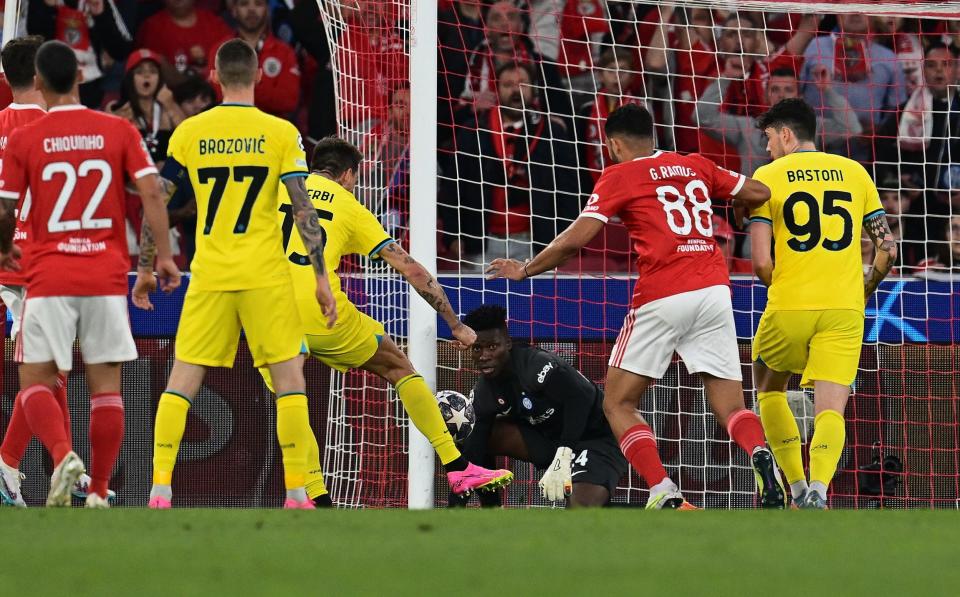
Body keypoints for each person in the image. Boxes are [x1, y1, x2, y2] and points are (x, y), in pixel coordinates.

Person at [488, 104, 783, 510]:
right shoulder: (693, 164)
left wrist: (526, 268)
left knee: (617, 402)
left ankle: (662, 489)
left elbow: (578, 239)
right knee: (732, 406)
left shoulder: (620, 175)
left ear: (613, 144)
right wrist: (736, 207)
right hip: (715, 289)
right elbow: (760, 192)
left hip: (663, 292)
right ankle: (760, 455)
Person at [242, 138, 512, 506]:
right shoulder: (349, 207)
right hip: (321, 312)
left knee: (291, 399)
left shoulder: (276, 189)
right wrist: (454, 323)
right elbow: (411, 269)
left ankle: (316, 498)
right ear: (348, 173)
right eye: (356, 177)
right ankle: (457, 465)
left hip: (262, 310)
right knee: (397, 365)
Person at [133, 39, 338, 510]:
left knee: (182, 378)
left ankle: (160, 489)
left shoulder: (191, 131)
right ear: (258, 77)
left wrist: (148, 265)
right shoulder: (281, 132)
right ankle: (294, 493)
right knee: (290, 381)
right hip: (266, 273)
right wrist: (321, 277)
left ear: (214, 76)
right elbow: (304, 210)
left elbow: (158, 198)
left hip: (210, 273)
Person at [0, 40, 180, 508]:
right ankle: (90, 487)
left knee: (38, 377)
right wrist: (160, 257)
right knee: (103, 387)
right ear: (80, 77)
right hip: (101, 272)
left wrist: (4, 250)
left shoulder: (20, 136)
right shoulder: (113, 129)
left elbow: (6, 206)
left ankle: (54, 462)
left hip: (38, 270)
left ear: (37, 80)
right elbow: (154, 192)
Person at [749, 98, 897, 509]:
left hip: (789, 304)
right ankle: (819, 489)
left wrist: (783, 288)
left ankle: (794, 486)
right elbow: (888, 246)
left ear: (786, 134)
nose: (767, 149)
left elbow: (761, 260)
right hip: (844, 308)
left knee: (768, 388)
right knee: (832, 404)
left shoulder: (768, 176)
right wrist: (864, 290)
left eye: (768, 138)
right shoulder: (855, 173)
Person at [0, 35, 111, 507]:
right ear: (44, 75)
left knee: (52, 371)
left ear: (6, 78)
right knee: (45, 375)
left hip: (9, 262)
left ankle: (61, 465)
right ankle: (8, 465)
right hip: (46, 265)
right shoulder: (61, 132)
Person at [451, 305, 627, 508]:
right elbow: (474, 451)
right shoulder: (484, 392)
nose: (484, 356)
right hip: (549, 441)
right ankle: (492, 511)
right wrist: (455, 506)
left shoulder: (538, 366)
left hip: (595, 440)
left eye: (492, 347)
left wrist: (565, 452)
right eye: (477, 348)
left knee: (581, 509)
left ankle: (645, 513)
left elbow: (581, 399)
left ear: (507, 343)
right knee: (471, 433)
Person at [108, 49, 186, 166]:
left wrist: (171, 106)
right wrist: (119, 124)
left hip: (166, 180)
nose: (147, 75)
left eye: (153, 71)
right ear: (130, 78)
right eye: (139, 72)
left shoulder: (167, 108)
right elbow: (108, 149)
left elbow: (190, 139)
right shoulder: (117, 108)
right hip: (133, 179)